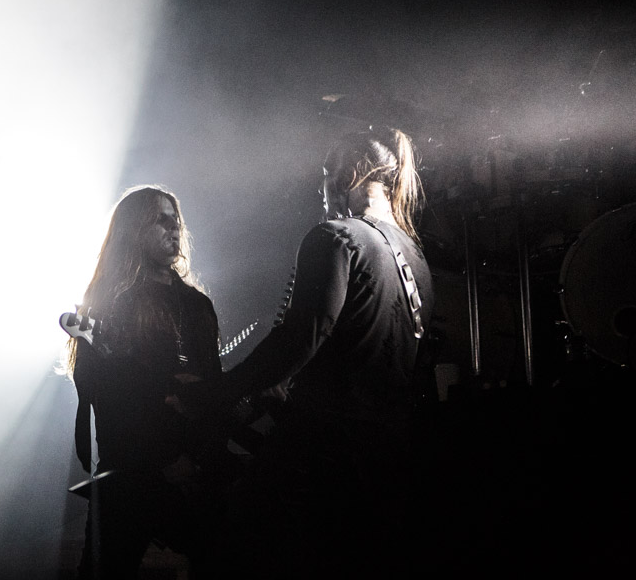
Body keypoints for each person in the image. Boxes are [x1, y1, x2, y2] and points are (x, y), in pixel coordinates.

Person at [185, 126, 434, 578]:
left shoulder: (334, 237)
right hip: (389, 457)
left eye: (323, 175)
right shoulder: (414, 256)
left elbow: (300, 339)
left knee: (232, 545)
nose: (320, 191)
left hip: (323, 452)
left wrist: (219, 392)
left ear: (348, 175)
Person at [67, 185, 224, 579]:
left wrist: (202, 456)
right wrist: (164, 458)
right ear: (133, 230)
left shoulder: (198, 305)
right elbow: (107, 394)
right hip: (131, 471)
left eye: (176, 220)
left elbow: (214, 387)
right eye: (160, 219)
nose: (174, 228)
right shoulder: (112, 302)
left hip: (196, 468)